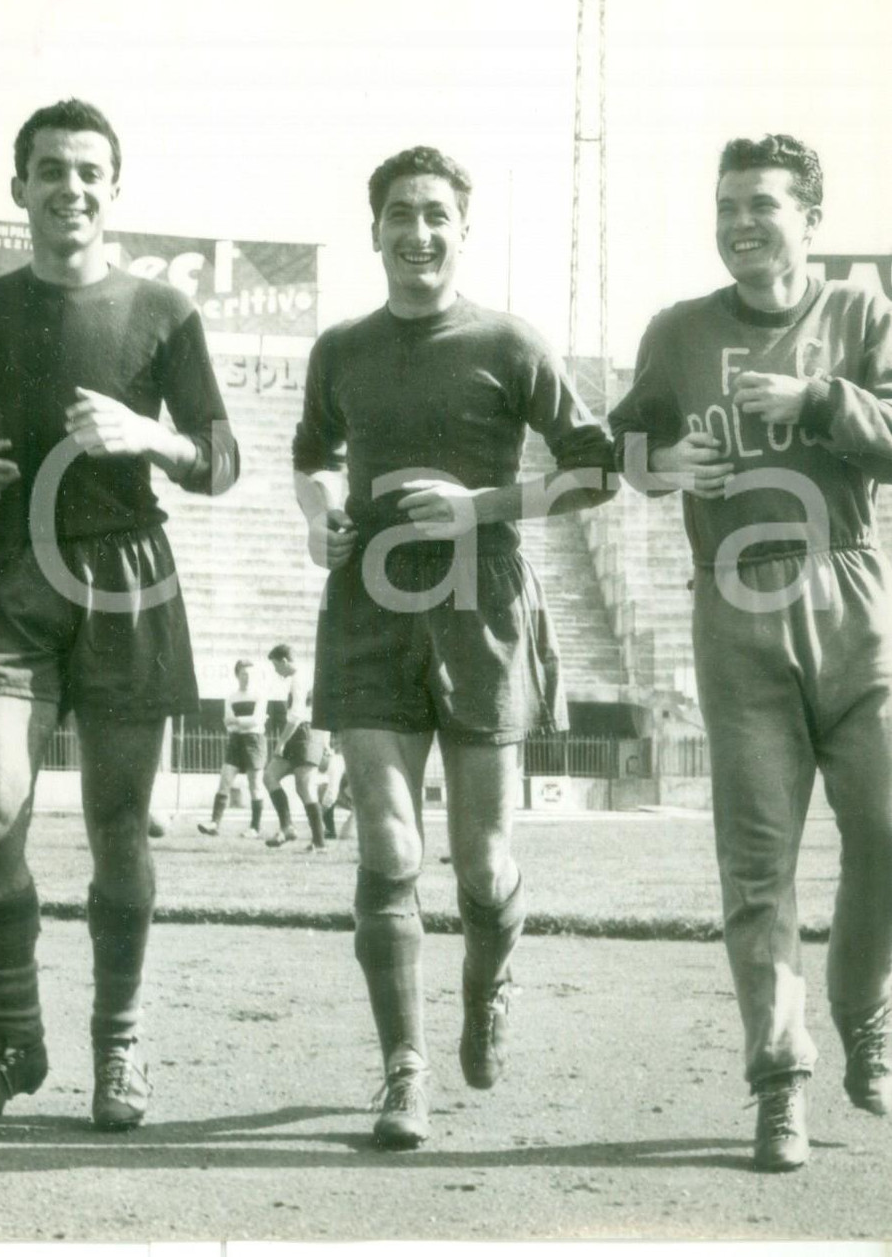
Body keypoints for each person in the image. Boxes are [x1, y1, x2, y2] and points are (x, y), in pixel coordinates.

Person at [0, 99, 239, 1135]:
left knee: (113, 825)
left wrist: (151, 433)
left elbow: (220, 461)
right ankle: (12, 1039)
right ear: (20, 188)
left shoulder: (161, 312)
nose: (71, 187)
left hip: (127, 580)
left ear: (113, 189)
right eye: (50, 169)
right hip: (10, 572)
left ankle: (119, 1041)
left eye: (89, 171)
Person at [292, 144, 615, 1148]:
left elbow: (597, 470)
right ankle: (404, 1072)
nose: (418, 231)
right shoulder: (339, 347)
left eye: (436, 214)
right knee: (388, 845)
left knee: (480, 866)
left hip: (480, 606)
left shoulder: (511, 342)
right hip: (367, 605)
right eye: (400, 213)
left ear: (461, 231)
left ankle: (487, 988)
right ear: (374, 228)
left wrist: (481, 503)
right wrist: (317, 517)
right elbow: (310, 455)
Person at [609, 133, 892, 1172]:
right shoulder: (677, 331)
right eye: (725, 203)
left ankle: (863, 1008)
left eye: (761, 204)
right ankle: (781, 1080)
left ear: (808, 216)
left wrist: (820, 400)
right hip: (733, 606)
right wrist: (660, 461)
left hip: (850, 591)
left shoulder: (860, 313)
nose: (738, 221)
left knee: (888, 831)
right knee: (758, 865)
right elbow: (621, 446)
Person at [262, 643, 330, 852]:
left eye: (276, 666)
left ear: (284, 661)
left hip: (305, 733)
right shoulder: (304, 676)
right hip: (304, 732)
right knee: (270, 776)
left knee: (304, 787)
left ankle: (319, 842)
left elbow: (297, 715)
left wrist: (281, 742)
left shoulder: (300, 678)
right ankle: (287, 827)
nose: (276, 671)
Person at [198, 658, 269, 839]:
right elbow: (227, 724)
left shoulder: (260, 695)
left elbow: (256, 720)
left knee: (255, 785)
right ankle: (214, 823)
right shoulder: (231, 697)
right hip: (235, 741)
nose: (248, 678)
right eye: (244, 674)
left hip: (254, 741)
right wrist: (240, 723)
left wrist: (237, 721)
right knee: (225, 780)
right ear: (237, 675)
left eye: (251, 674)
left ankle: (254, 828)